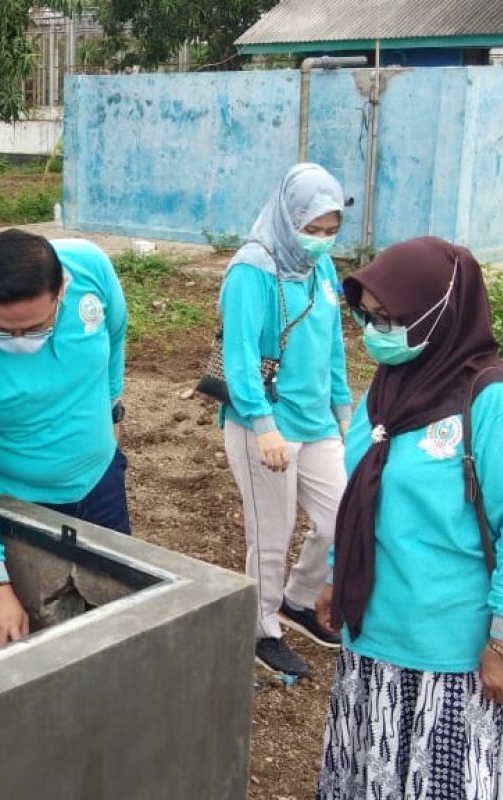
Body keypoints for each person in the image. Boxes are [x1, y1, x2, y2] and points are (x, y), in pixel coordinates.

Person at [315, 237, 503, 799]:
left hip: (454, 661)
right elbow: (359, 498)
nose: (375, 332)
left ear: (438, 313)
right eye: (366, 317)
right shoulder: (389, 386)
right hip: (373, 642)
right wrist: (335, 573)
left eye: (390, 319)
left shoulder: (495, 405)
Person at [0, 228, 128, 648]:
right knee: (46, 634)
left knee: (119, 612)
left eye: (36, 328)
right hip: (21, 506)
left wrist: (112, 410)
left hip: (100, 482)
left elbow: (116, 334)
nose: (18, 342)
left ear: (62, 291)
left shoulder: (89, 269)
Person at [217, 163, 352, 678]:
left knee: (342, 518)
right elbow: (239, 357)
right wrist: (262, 424)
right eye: (311, 230)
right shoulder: (252, 269)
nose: (320, 241)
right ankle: (261, 627)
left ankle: (297, 600)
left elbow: (333, 344)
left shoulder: (322, 269)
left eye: (330, 231)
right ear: (287, 216)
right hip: (265, 424)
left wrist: (343, 413)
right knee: (270, 534)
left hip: (316, 421)